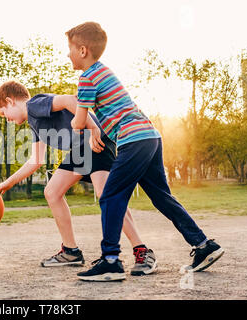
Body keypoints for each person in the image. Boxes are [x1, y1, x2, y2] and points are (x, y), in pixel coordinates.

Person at [67, 21, 224, 281]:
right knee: (161, 196)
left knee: (110, 196)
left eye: (70, 49)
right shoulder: (104, 72)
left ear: (83, 50)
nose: (68, 55)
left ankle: (110, 261)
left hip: (133, 140)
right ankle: (203, 244)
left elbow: (78, 120)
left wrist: (76, 121)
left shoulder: (87, 77)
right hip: (150, 136)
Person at [0, 80, 157, 275]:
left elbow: (70, 100)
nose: (7, 120)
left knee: (106, 195)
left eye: (4, 114)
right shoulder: (34, 123)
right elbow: (35, 161)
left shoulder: (34, 105)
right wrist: (8, 182)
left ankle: (142, 251)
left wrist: (93, 128)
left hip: (93, 141)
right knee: (52, 192)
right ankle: (70, 251)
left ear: (10, 101)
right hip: (80, 151)